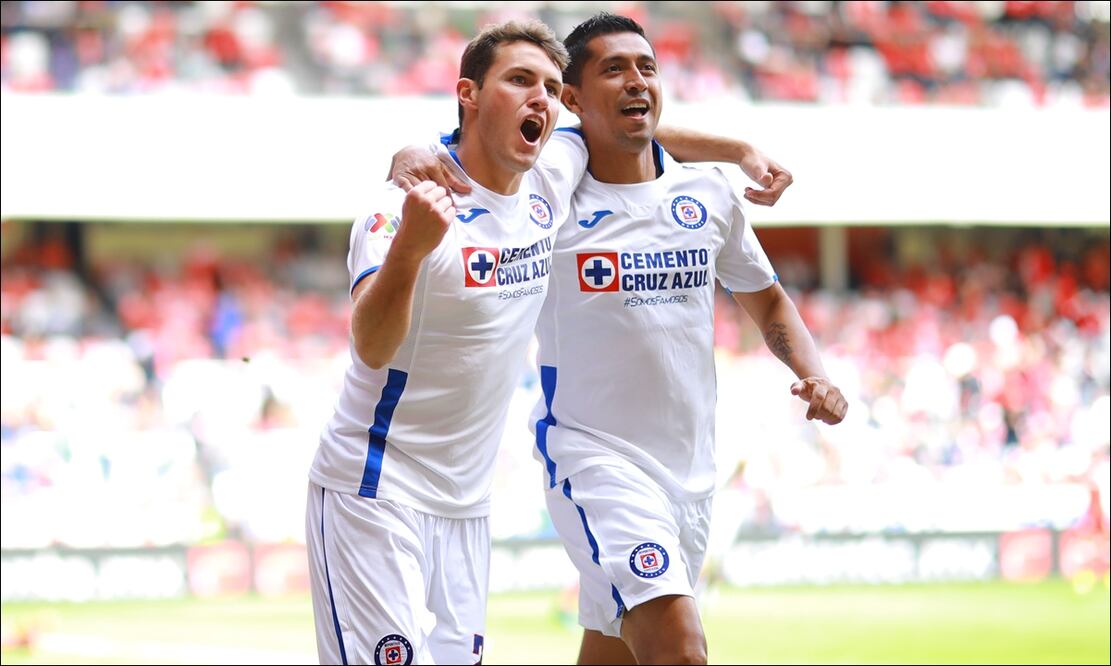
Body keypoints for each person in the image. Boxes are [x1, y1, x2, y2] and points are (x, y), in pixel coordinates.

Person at [313, 17, 791, 665]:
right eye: (517, 80)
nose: (540, 97)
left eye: (548, 85)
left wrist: (736, 151)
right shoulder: (404, 209)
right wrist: (408, 254)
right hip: (373, 490)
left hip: (464, 503)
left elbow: (623, 129)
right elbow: (369, 345)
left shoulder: (549, 179)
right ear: (468, 94)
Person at [532, 14, 847, 664]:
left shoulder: (705, 196)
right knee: (679, 650)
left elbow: (765, 298)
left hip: (690, 474)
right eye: (613, 69)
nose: (636, 81)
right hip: (594, 460)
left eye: (646, 67)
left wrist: (816, 373)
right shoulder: (551, 195)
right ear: (571, 98)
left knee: (613, 650)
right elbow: (508, 148)